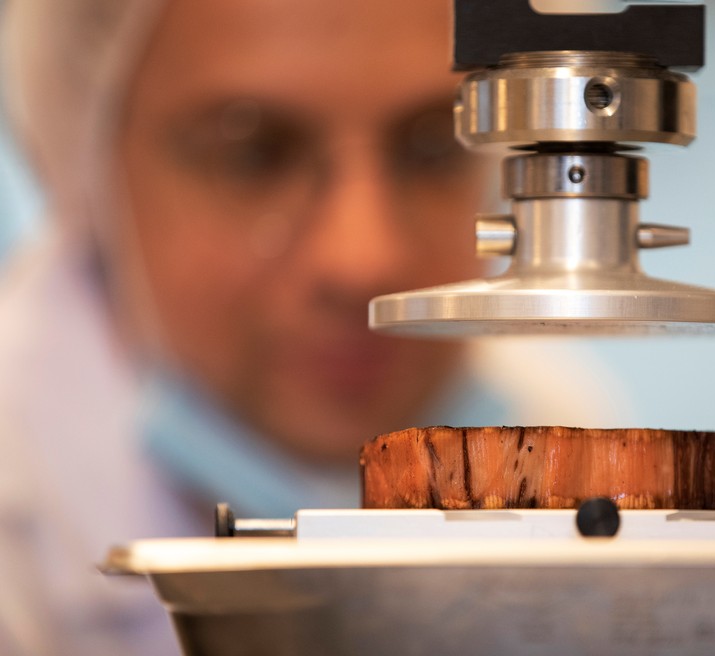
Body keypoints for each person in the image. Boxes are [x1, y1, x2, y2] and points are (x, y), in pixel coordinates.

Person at [0, 0, 628, 654]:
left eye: (434, 146)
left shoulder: (563, 433)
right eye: (253, 154)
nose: (362, 259)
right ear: (92, 167)